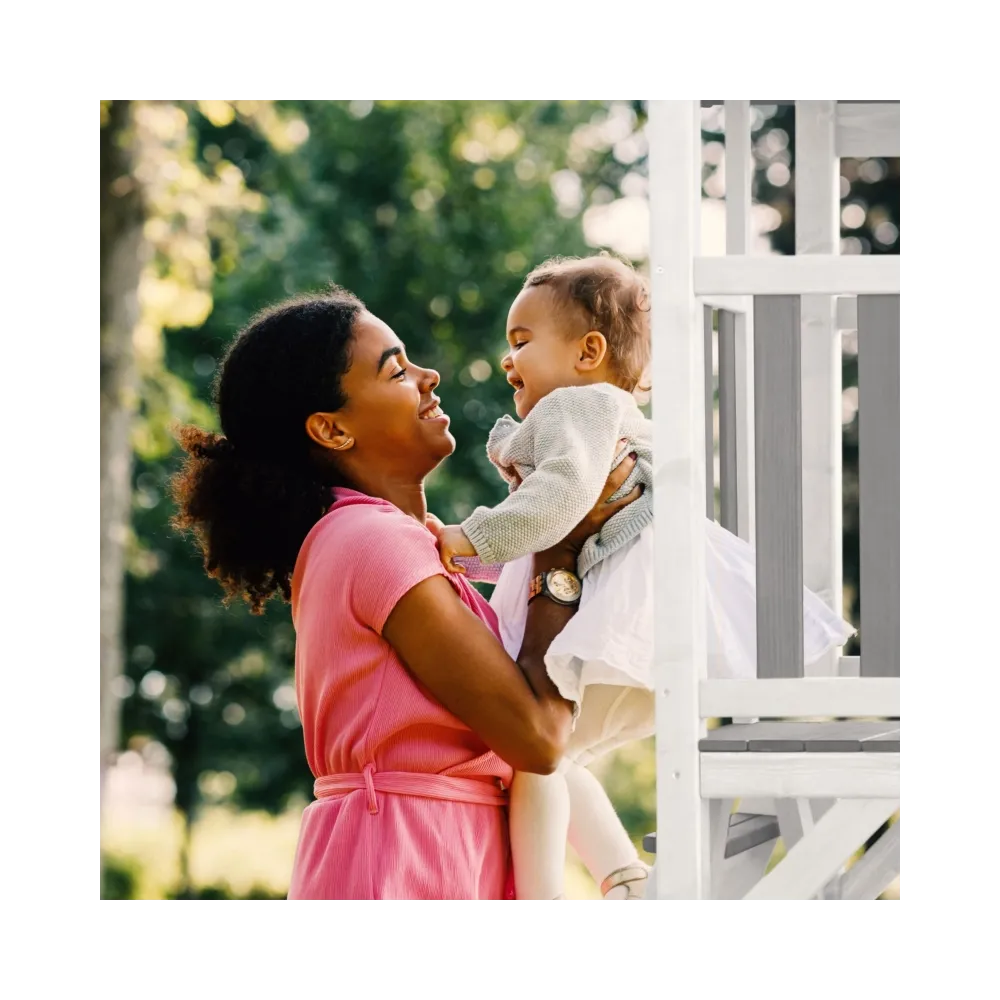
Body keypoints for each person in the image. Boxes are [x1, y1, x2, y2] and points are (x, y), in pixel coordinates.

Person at [169, 286, 640, 902]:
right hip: (401, 859)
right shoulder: (372, 541)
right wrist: (562, 548)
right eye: (395, 369)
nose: (428, 375)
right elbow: (538, 737)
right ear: (332, 429)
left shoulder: (404, 542)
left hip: (433, 850)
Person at [434, 253, 857, 902]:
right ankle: (623, 877)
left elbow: (559, 502)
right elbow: (546, 532)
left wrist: (467, 538)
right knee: (553, 753)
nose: (507, 360)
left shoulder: (579, 406)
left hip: (618, 608)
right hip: (628, 606)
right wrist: (470, 554)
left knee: (535, 754)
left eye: (521, 342)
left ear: (588, 351)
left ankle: (540, 900)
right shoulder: (604, 413)